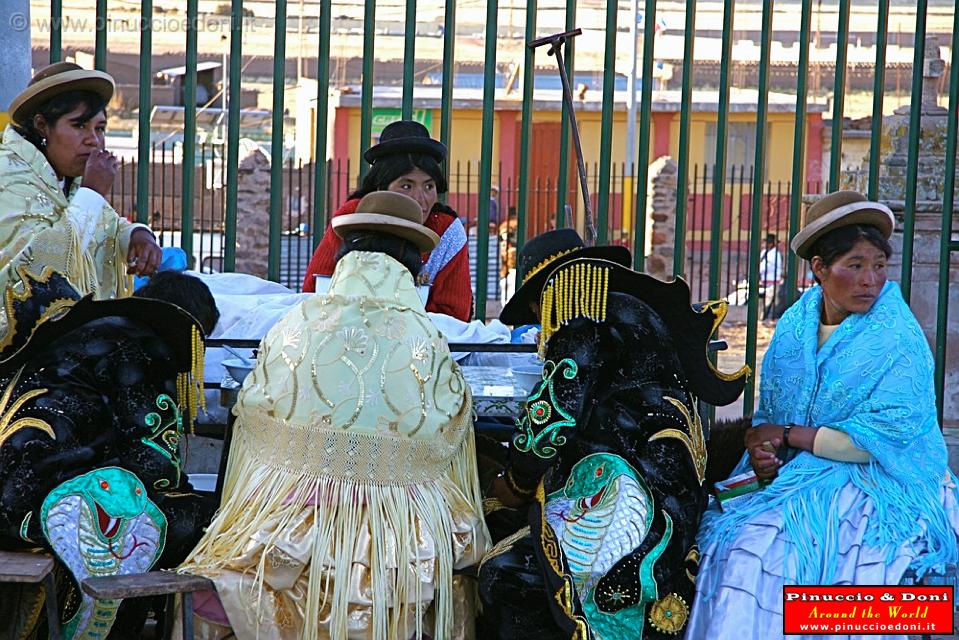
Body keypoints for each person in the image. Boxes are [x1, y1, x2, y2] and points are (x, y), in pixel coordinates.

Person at [181, 192, 489, 640]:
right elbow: (453, 432)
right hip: (399, 534)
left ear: (344, 256)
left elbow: (251, 414)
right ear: (413, 270)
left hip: (290, 524)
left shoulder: (297, 322)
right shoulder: (427, 336)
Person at [688, 191, 959, 639]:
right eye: (854, 265)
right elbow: (773, 415)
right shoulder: (795, 327)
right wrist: (763, 451)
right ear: (818, 268)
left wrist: (788, 435)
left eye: (878, 266)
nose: (870, 280)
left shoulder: (897, 336)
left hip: (880, 477)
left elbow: (878, 441)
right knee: (728, 540)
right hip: (801, 474)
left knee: (793, 552)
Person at [478, 255, 749, 639]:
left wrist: (515, 481)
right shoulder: (623, 310)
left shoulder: (581, 320)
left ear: (555, 291)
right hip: (670, 495)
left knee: (504, 573)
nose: (542, 323)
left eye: (540, 311)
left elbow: (552, 417)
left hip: (641, 502)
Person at [0, 269, 218, 639]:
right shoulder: (145, 345)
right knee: (201, 518)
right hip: (48, 506)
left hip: (11, 506)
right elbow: (155, 464)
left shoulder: (75, 334)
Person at [0, 62, 162, 349]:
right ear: (41, 125)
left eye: (99, 128)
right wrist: (92, 192)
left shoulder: (67, 180)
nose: (93, 140)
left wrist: (136, 235)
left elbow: (105, 226)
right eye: (79, 125)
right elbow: (33, 272)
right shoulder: (8, 175)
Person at [302, 120, 473, 321]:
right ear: (380, 186)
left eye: (429, 186)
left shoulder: (447, 230)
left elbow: (456, 313)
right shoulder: (353, 216)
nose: (420, 199)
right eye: (406, 186)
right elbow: (314, 290)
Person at [758, 233, 783, 320]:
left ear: (771, 244)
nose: (765, 244)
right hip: (763, 281)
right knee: (763, 302)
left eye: (767, 242)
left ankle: (765, 318)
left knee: (768, 303)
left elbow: (764, 267)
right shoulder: (764, 252)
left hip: (772, 282)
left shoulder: (775, 254)